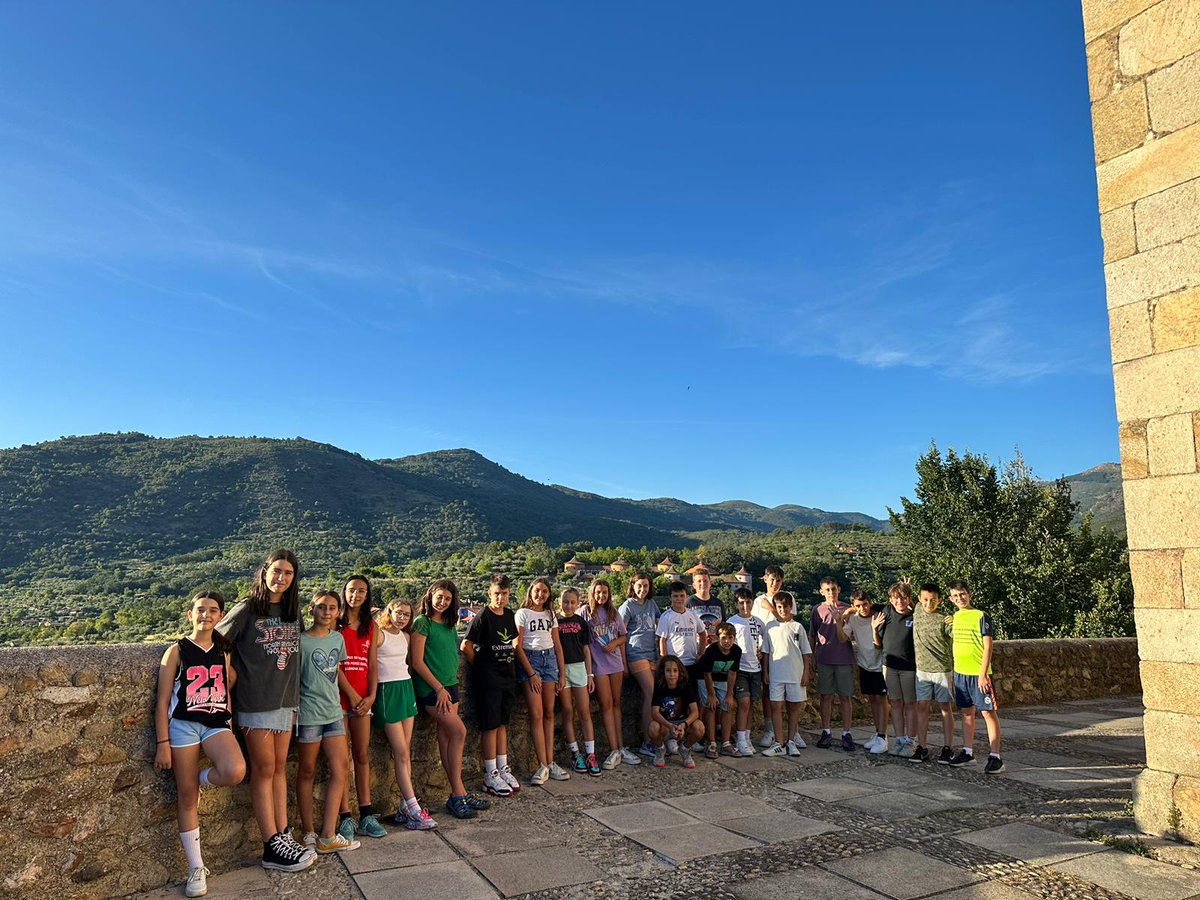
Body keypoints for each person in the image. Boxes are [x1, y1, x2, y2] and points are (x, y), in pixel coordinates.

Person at [215, 549, 315, 873]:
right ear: (265, 572)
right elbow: (216, 641)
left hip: (286, 700)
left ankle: (283, 833)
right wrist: (228, 676)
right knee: (264, 768)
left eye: (288, 573)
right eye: (277, 571)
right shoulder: (247, 609)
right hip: (256, 700)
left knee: (279, 768)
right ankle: (270, 844)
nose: (281, 578)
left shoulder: (291, 611)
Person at [154, 591, 247, 897]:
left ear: (220, 616)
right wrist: (163, 742)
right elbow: (163, 701)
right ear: (190, 614)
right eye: (200, 609)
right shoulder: (176, 652)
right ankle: (195, 867)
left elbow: (226, 688)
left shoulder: (223, 651)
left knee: (235, 770)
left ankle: (199, 778)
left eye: (213, 610)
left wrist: (229, 723)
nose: (206, 615)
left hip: (215, 723)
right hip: (183, 726)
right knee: (187, 797)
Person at [411, 579, 489, 820]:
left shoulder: (449, 624)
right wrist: (438, 688)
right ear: (430, 596)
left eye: (447, 598)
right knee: (459, 732)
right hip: (434, 690)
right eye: (439, 597)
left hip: (451, 686)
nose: (442, 602)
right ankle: (457, 793)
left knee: (446, 738)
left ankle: (459, 792)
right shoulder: (422, 622)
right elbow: (416, 661)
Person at [296, 592, 361, 855]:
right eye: (321, 607)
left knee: (340, 769)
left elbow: (337, 672)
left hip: (334, 713)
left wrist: (352, 697)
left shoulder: (337, 639)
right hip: (309, 714)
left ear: (338, 612)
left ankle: (328, 834)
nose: (326, 612)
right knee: (307, 771)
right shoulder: (301, 642)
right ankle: (308, 831)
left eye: (332, 608)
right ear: (311, 609)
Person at [374, 599, 437, 829]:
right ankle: (414, 808)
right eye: (398, 613)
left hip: (405, 688)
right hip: (387, 692)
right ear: (389, 612)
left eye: (407, 615)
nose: (402, 618)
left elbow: (408, 664)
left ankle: (404, 805)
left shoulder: (406, 637)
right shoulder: (379, 635)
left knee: (405, 751)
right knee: (400, 753)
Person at [463, 574, 521, 794]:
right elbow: (466, 646)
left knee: (502, 723)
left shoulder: (509, 615)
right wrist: (481, 666)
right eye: (496, 593)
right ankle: (490, 774)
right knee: (490, 725)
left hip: (507, 676)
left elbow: (512, 641)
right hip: (489, 679)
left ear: (509, 594)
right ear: (489, 593)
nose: (500, 598)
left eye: (504, 594)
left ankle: (502, 768)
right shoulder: (483, 616)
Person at [336, 575, 385, 841]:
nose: (356, 595)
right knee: (341, 759)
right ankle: (345, 816)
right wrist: (353, 695)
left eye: (362, 591)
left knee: (362, 755)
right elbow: (334, 664)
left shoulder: (371, 626)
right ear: (344, 592)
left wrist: (371, 696)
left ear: (367, 595)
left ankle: (366, 813)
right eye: (352, 590)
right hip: (339, 700)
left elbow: (373, 664)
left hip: (364, 700)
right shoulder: (335, 622)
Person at [515, 578, 570, 784]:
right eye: (537, 591)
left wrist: (562, 674)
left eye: (545, 591)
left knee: (549, 713)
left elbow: (558, 645)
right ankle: (542, 764)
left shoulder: (550, 614)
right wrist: (531, 674)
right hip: (531, 661)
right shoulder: (522, 613)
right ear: (531, 592)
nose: (541, 595)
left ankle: (550, 762)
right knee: (536, 714)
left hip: (550, 662)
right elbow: (517, 646)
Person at [583, 577, 640, 769]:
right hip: (598, 666)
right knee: (606, 705)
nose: (601, 596)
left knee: (617, 704)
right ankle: (613, 749)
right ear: (592, 593)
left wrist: (615, 644)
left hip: (615, 664)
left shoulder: (614, 613)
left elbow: (623, 636)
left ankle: (621, 747)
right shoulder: (585, 612)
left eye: (605, 592)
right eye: (598, 592)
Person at [948, 581, 1004, 773]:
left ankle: (995, 756)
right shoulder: (955, 617)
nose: (960, 598)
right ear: (951, 599)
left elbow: (988, 645)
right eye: (955, 596)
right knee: (966, 713)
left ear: (969, 594)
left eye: (962, 594)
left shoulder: (981, 615)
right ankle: (968, 752)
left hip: (979, 674)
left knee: (988, 713)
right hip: (960, 674)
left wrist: (982, 674)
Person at [761, 591, 812, 757]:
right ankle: (779, 743)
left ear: (791, 607)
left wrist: (806, 673)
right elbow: (766, 652)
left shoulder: (798, 627)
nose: (783, 610)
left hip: (795, 674)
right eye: (779, 607)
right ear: (776, 608)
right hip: (776, 674)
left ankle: (791, 740)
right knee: (775, 706)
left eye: (786, 607)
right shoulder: (770, 627)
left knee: (794, 707)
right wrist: (766, 671)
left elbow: (806, 652)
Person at [556, 587, 600, 775]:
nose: (568, 605)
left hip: (579, 668)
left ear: (577, 603)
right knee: (567, 711)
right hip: (562, 670)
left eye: (572, 602)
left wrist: (590, 675)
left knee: (584, 711)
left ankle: (591, 754)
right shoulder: (555, 621)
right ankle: (575, 753)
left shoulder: (581, 622)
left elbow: (586, 650)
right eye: (565, 601)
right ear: (559, 602)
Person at [810, 576, 856, 751]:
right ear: (822, 592)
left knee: (845, 697)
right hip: (824, 659)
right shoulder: (817, 610)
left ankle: (847, 733)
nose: (831, 592)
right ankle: (826, 731)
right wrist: (812, 656)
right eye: (827, 590)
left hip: (844, 658)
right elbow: (812, 634)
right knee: (826, 696)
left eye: (834, 589)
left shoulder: (848, 609)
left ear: (839, 590)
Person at [912, 583, 955, 765]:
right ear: (919, 599)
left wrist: (956, 620)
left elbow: (958, 635)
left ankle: (948, 748)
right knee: (921, 706)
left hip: (942, 670)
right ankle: (922, 747)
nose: (928, 603)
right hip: (922, 671)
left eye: (933, 600)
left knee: (945, 708)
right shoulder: (917, 610)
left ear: (939, 601)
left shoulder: (944, 620)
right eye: (925, 600)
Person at [840, 590, 888, 754]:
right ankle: (878, 732)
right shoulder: (853, 619)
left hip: (880, 663)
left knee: (881, 699)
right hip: (864, 663)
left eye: (865, 604)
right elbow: (843, 636)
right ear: (854, 606)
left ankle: (883, 736)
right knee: (872, 699)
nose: (863, 608)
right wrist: (843, 616)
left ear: (870, 602)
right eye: (858, 606)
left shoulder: (879, 615)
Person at [618, 571, 660, 758]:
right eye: (639, 586)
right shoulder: (628, 606)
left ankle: (657, 738)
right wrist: (623, 663)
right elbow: (621, 634)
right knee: (651, 693)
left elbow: (660, 626)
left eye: (646, 586)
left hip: (652, 654)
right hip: (636, 653)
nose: (643, 589)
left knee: (650, 696)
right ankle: (648, 742)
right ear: (633, 587)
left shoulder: (652, 604)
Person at [874, 581, 918, 758]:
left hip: (909, 667)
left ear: (909, 599)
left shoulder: (915, 616)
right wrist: (873, 629)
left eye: (904, 597)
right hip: (890, 666)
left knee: (910, 704)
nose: (900, 601)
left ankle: (911, 741)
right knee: (896, 704)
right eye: (896, 598)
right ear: (891, 600)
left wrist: (907, 588)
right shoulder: (887, 612)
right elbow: (878, 643)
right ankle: (899, 739)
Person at [725, 587, 767, 757]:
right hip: (739, 669)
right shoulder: (732, 622)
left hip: (755, 668)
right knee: (743, 703)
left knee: (750, 705)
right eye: (741, 603)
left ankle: (747, 737)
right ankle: (741, 739)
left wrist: (761, 650)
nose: (745, 606)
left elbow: (765, 639)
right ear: (736, 604)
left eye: (748, 602)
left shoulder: (758, 622)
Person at [649, 656, 704, 769]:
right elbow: (654, 712)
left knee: (699, 727)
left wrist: (684, 724)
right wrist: (669, 726)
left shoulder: (685, 685)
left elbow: (695, 712)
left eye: (675, 670)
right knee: (653, 727)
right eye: (668, 670)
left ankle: (685, 749)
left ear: (680, 672)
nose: (672, 674)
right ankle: (660, 749)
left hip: (682, 724)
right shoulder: (660, 686)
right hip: (666, 725)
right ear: (663, 672)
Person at [752, 565, 786, 747]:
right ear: (765, 579)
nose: (775, 584)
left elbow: (788, 621)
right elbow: (754, 626)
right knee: (767, 692)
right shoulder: (758, 601)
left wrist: (771, 608)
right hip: (764, 652)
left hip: (783, 652)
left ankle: (792, 731)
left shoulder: (786, 598)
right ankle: (769, 730)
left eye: (778, 581)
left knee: (786, 692)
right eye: (772, 580)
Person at [698, 623, 741, 758]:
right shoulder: (712, 650)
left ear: (734, 638)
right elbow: (707, 674)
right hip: (705, 678)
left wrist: (729, 695)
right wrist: (711, 695)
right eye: (723, 638)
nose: (727, 641)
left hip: (723, 678)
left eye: (730, 638)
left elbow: (732, 673)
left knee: (727, 706)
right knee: (711, 706)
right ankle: (711, 742)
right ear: (718, 638)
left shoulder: (736, 651)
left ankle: (726, 742)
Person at [656, 582, 707, 693]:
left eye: (682, 595)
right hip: (675, 664)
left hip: (692, 663)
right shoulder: (666, 616)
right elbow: (662, 640)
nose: (679, 599)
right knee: (676, 695)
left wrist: (700, 653)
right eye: (675, 596)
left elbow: (703, 633)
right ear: (670, 597)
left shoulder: (692, 614)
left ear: (686, 596)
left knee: (692, 695)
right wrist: (665, 661)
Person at [686, 566, 724, 644]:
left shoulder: (719, 603)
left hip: (715, 646)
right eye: (699, 581)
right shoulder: (688, 603)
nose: (702, 583)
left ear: (710, 583)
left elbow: (723, 626)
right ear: (694, 585)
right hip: (695, 646)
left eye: (705, 581)